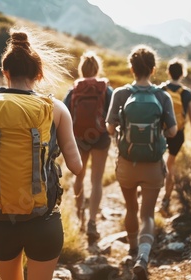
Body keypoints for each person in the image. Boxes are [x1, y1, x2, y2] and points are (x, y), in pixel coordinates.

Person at [0, 28, 83, 280]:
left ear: (4, 71)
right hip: (43, 222)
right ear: (39, 73)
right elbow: (76, 167)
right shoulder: (55, 108)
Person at [106, 45, 177, 279]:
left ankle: (133, 248)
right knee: (147, 214)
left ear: (131, 68)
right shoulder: (162, 96)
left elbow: (109, 127)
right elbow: (174, 131)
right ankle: (143, 257)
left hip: (127, 163)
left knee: (130, 208)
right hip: (153, 166)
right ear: (154, 69)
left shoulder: (120, 94)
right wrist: (159, 134)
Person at [62, 51, 113, 243]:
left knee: (79, 177)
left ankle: (79, 216)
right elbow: (113, 115)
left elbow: (65, 115)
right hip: (100, 138)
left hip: (79, 139)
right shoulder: (106, 89)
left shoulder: (74, 89)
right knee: (97, 180)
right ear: (97, 69)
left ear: (82, 70)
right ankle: (92, 222)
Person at [159, 58, 191, 217]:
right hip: (178, 133)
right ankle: (166, 199)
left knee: (157, 161)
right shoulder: (186, 92)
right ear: (182, 74)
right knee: (170, 164)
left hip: (161, 132)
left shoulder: (161, 88)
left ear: (168, 72)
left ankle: (151, 189)